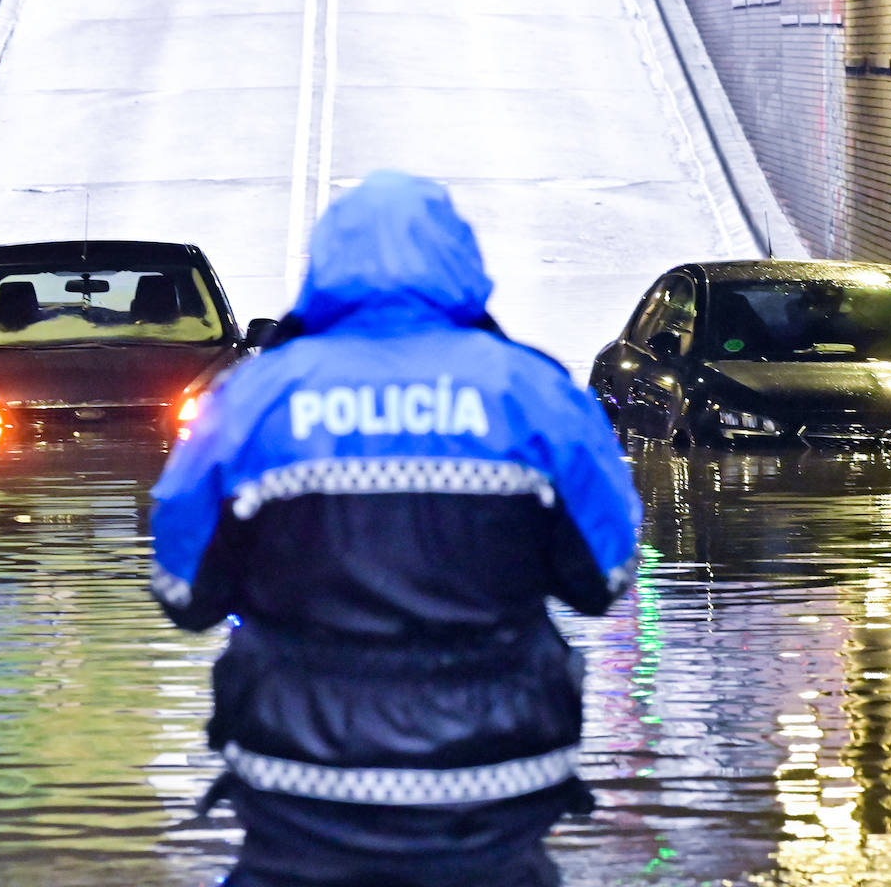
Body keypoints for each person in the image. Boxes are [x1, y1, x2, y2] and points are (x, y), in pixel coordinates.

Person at [148, 170, 642, 886]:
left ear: (325, 268)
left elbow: (182, 591)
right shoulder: (532, 393)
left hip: (299, 789)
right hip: (493, 790)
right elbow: (605, 577)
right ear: (462, 265)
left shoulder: (253, 400)